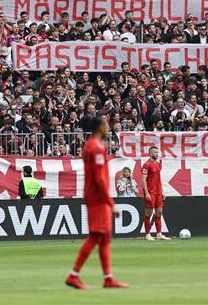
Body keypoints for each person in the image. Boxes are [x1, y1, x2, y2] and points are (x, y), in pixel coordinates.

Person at [66, 117, 128, 290]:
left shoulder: (89, 146)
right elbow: (100, 179)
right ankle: (73, 275)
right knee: (95, 236)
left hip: (93, 195)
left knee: (105, 238)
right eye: (106, 125)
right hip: (98, 198)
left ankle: (108, 278)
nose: (108, 128)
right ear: (100, 128)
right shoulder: (97, 148)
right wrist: (111, 202)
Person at [142, 146, 169, 241]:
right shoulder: (146, 165)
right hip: (150, 192)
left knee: (159, 212)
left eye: (157, 152)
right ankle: (147, 234)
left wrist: (162, 191)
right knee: (148, 213)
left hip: (158, 192)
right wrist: (146, 193)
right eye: (154, 152)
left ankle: (159, 234)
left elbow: (158, 179)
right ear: (150, 153)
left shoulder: (157, 164)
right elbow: (143, 180)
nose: (156, 154)